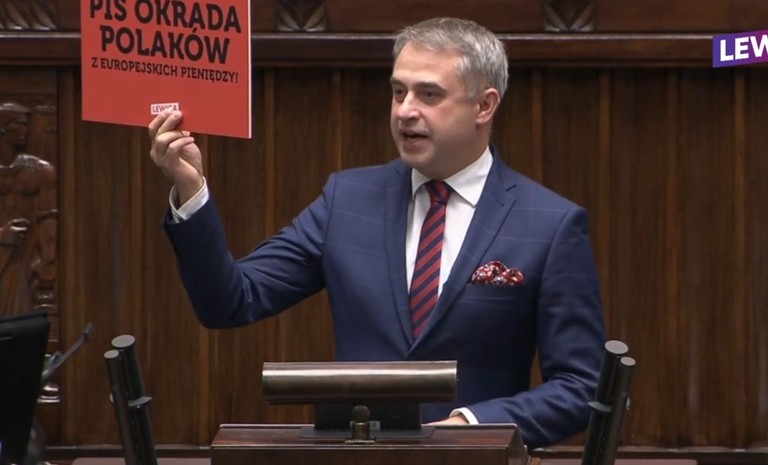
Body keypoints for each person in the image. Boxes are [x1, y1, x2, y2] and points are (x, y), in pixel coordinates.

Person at [148, 17, 606, 449]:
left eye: (429, 94)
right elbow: (231, 301)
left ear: (484, 106)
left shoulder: (549, 224)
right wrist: (191, 190)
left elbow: (581, 387)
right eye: (398, 91)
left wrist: (472, 424)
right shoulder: (347, 200)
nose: (405, 111)